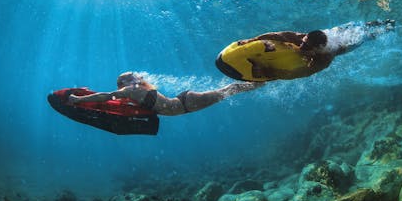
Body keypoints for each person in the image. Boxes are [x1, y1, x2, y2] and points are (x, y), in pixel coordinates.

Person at [217, 19, 395, 80]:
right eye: (303, 42)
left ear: (317, 49)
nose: (301, 46)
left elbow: (302, 73)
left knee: (362, 37)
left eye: (307, 47)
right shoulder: (301, 37)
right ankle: (373, 23)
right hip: (331, 33)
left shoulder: (325, 57)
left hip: (344, 44)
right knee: (348, 27)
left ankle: (383, 27)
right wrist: (254, 40)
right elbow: (277, 35)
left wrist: (272, 71)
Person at [68, 71, 263, 116]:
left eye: (120, 83)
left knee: (227, 91)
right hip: (185, 101)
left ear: (124, 83)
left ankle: (257, 81)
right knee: (226, 92)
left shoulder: (130, 90)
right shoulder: (136, 91)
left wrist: (78, 99)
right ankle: (254, 81)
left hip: (186, 103)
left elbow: (103, 96)